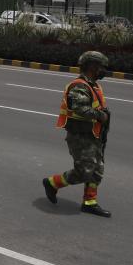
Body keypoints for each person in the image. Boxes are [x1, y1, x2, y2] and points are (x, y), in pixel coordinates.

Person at [42, 51, 112, 217]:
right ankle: (52, 183)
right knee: (84, 171)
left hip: (93, 135)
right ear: (92, 66)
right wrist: (101, 115)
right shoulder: (79, 85)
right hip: (80, 136)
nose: (103, 70)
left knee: (97, 170)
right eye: (101, 67)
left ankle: (89, 202)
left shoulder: (93, 85)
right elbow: (79, 108)